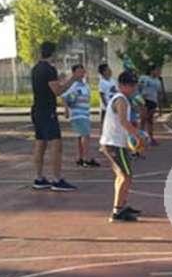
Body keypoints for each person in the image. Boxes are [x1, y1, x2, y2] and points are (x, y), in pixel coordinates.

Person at [29, 41, 84, 191]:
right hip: (47, 111)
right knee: (56, 145)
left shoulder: (35, 68)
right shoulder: (49, 69)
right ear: (53, 53)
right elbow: (57, 91)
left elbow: (48, 86)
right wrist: (73, 79)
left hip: (37, 109)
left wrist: (60, 81)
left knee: (40, 143)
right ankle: (56, 179)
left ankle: (39, 178)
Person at [100, 71, 145, 222]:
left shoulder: (124, 99)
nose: (133, 88)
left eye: (133, 85)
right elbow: (123, 121)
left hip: (116, 143)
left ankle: (121, 205)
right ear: (121, 85)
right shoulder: (121, 99)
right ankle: (117, 212)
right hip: (114, 143)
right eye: (129, 85)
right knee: (125, 176)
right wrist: (138, 135)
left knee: (124, 175)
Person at [62, 65, 99, 168]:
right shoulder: (72, 85)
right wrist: (66, 109)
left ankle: (80, 158)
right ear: (73, 73)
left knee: (80, 136)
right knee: (85, 135)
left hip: (85, 114)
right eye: (79, 72)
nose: (81, 74)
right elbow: (64, 97)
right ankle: (87, 159)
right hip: (77, 114)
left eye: (83, 71)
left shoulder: (85, 85)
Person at [138, 67, 163, 146]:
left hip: (153, 101)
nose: (159, 72)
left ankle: (151, 138)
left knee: (150, 120)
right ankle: (140, 139)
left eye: (159, 71)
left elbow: (159, 93)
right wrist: (139, 97)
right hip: (144, 100)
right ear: (152, 71)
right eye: (157, 70)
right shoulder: (144, 78)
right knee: (143, 119)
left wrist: (160, 106)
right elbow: (138, 87)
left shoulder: (158, 81)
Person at [97, 63, 116, 128]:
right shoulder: (102, 82)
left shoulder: (113, 80)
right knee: (104, 124)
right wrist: (107, 106)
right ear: (103, 72)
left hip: (114, 106)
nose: (110, 71)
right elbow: (102, 95)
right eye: (108, 69)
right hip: (106, 107)